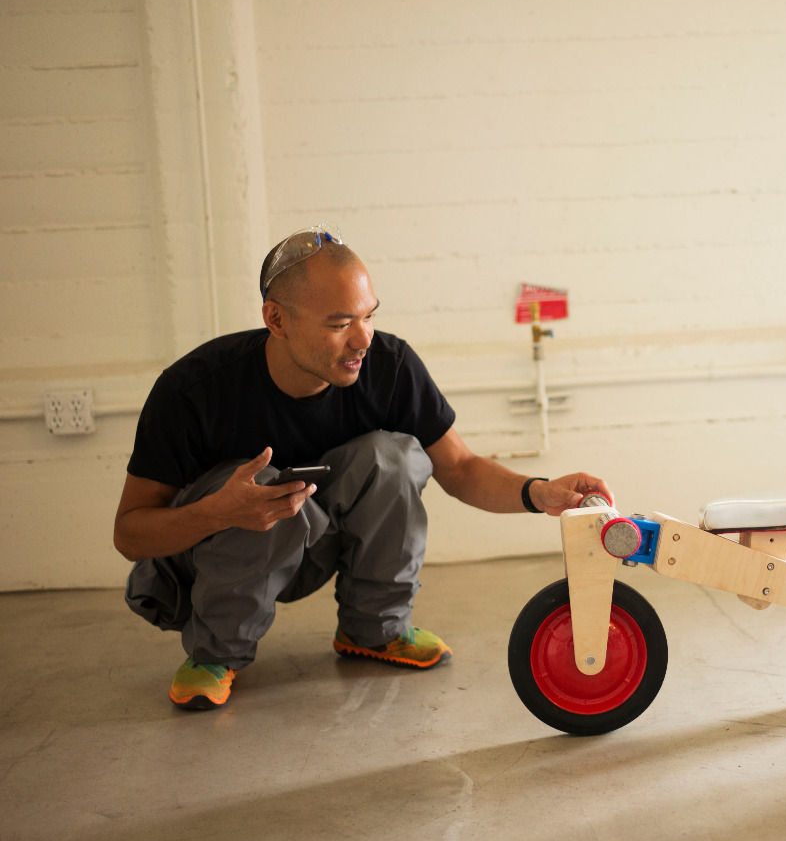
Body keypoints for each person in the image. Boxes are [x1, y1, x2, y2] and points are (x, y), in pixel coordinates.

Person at [113, 226, 612, 711]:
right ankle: (214, 654)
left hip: (312, 543)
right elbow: (130, 535)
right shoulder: (194, 390)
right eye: (338, 324)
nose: (362, 340)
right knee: (259, 483)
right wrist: (218, 513)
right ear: (276, 319)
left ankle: (375, 629)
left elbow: (459, 468)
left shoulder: (389, 367)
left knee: (393, 456)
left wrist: (541, 492)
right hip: (206, 563)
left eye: (369, 316)